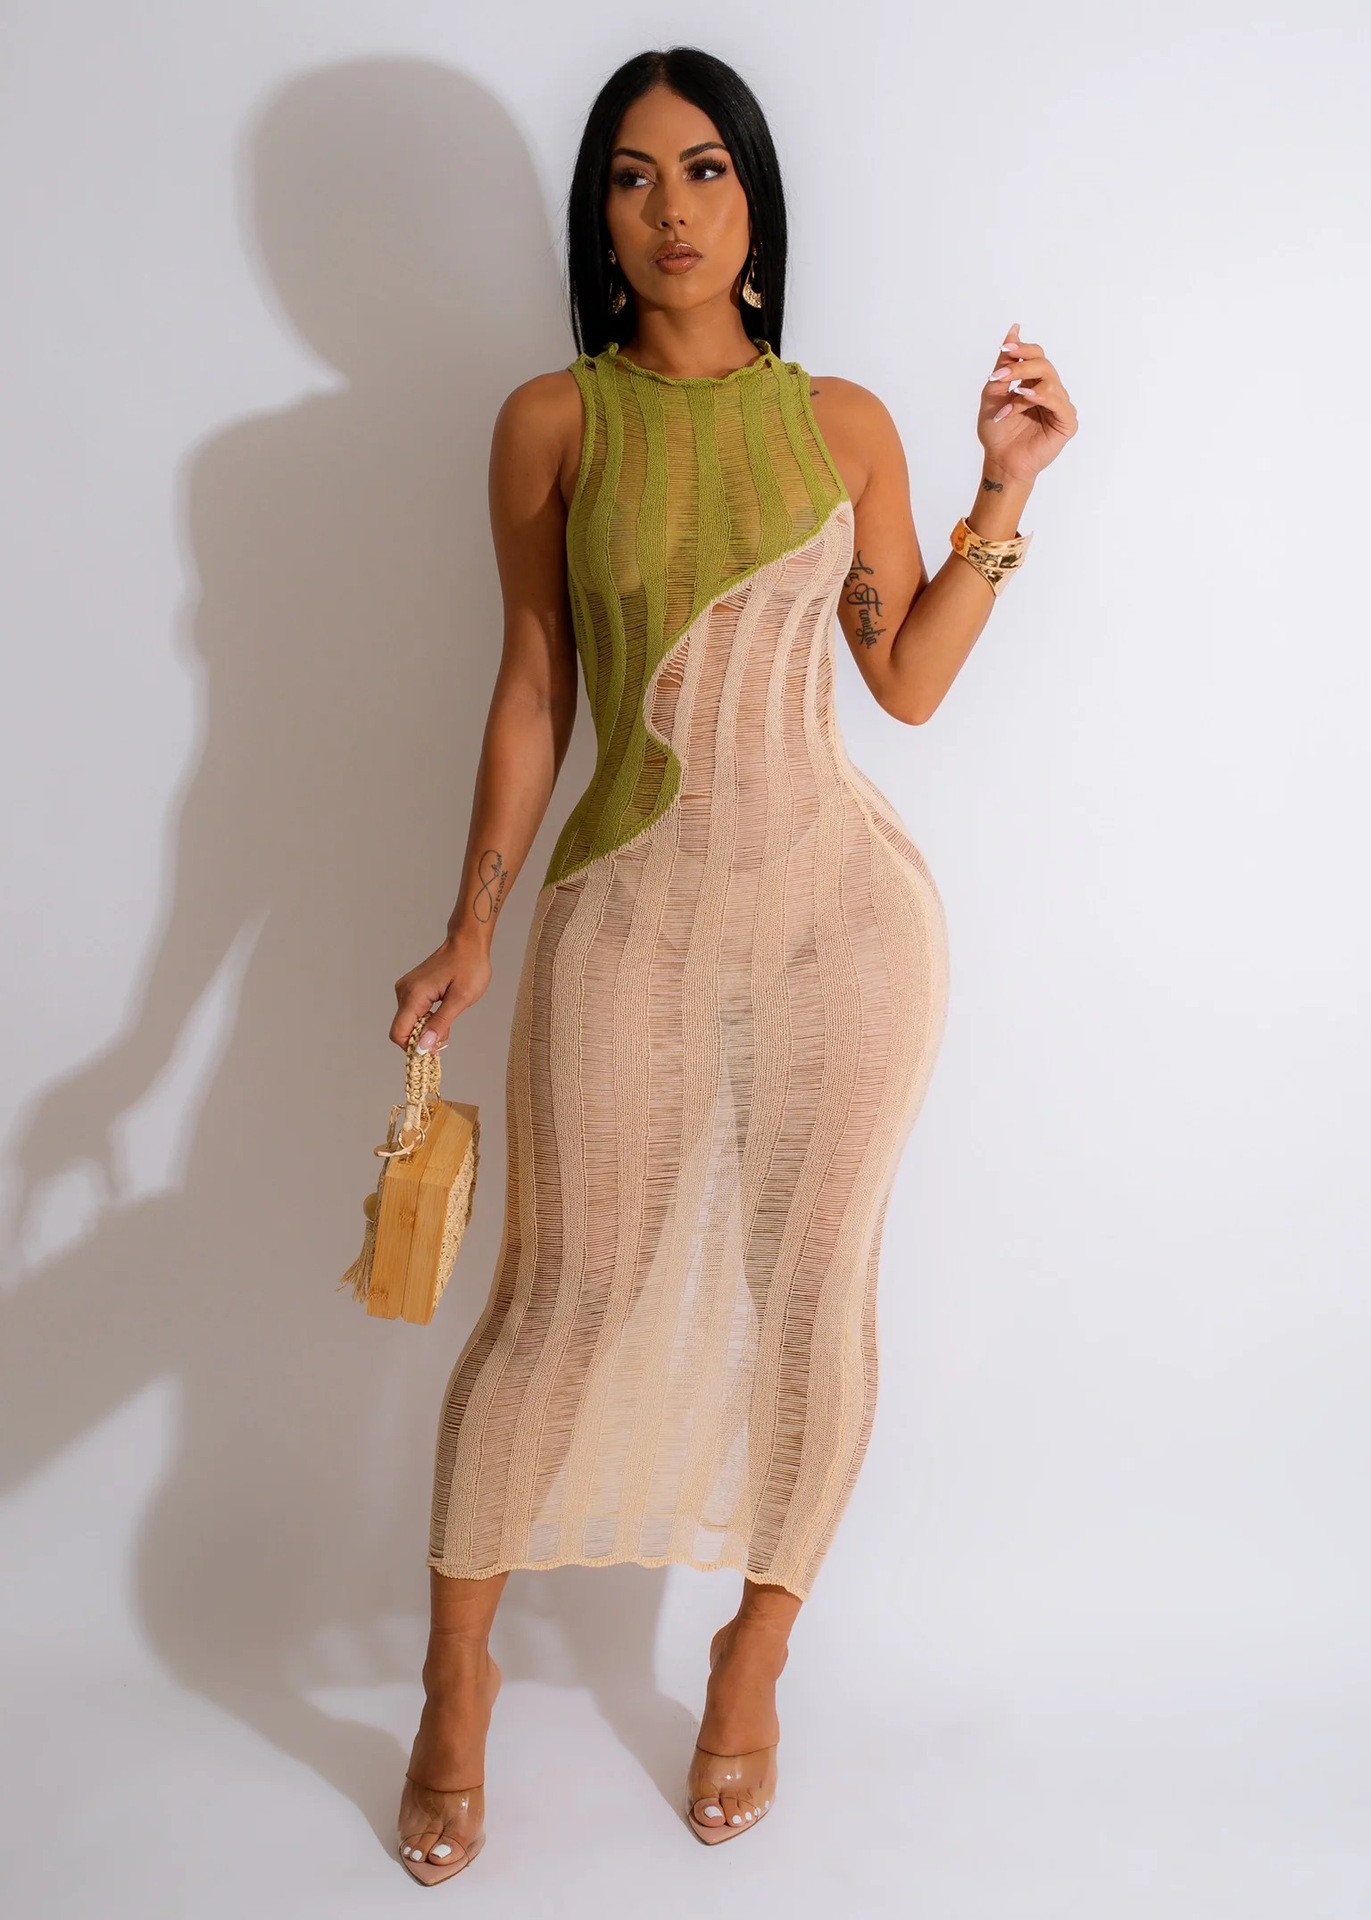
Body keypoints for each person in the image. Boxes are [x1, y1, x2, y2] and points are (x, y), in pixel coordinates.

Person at [387, 44, 1077, 1884]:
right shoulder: (554, 421)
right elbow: (535, 685)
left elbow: (903, 681)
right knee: (561, 1299)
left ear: (758, 199)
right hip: (629, 910)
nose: (671, 209)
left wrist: (1003, 491)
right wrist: (474, 920)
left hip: (844, 922)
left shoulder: (840, 424)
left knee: (814, 1298)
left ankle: (752, 1662)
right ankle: (454, 1683)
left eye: (704, 169)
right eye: (631, 177)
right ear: (596, 218)